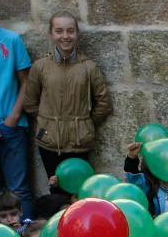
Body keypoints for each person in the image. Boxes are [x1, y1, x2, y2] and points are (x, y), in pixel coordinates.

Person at [23, 10, 111, 183]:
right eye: (59, 31)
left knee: (77, 191)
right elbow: (30, 103)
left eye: (70, 31)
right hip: (49, 140)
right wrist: (46, 122)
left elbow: (104, 103)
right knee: (55, 189)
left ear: (77, 33)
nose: (65, 36)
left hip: (80, 141)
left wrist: (84, 124)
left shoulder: (89, 67)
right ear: (51, 34)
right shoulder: (40, 67)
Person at [0, 0, 33, 219]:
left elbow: (26, 81)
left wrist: (13, 118)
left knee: (19, 190)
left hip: (11, 126)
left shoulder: (11, 40)